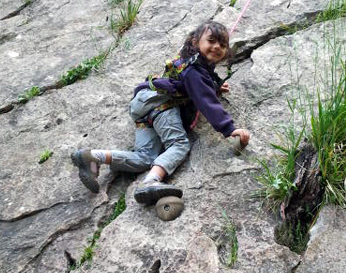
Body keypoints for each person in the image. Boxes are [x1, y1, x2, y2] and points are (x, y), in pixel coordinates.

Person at [71, 21, 250, 204]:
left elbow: (202, 79)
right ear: (196, 42)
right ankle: (151, 181)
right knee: (179, 144)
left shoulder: (190, 60)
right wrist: (229, 129)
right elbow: (205, 100)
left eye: (222, 44)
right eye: (211, 40)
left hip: (143, 106)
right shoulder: (194, 72)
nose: (217, 47)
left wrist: (215, 86)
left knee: (145, 157)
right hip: (161, 106)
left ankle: (93, 157)